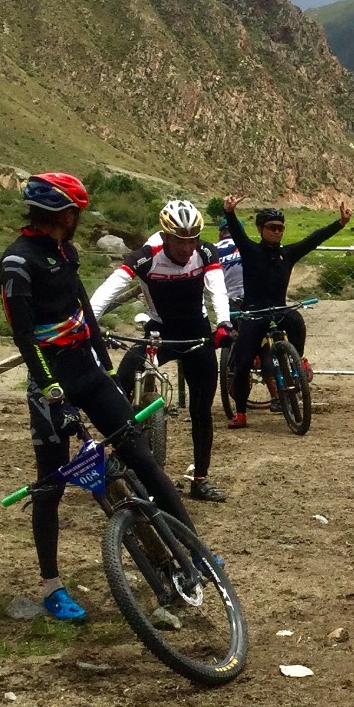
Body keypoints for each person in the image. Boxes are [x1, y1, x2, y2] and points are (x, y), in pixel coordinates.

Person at [0, 172, 200, 623]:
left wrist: (104, 364)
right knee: (50, 487)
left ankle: (193, 549)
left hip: (88, 372)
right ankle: (52, 587)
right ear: (65, 213)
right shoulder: (17, 263)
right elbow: (24, 337)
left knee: (142, 458)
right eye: (77, 213)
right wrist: (51, 389)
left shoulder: (66, 252)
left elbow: (83, 307)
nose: (78, 220)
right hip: (50, 385)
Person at [90, 199, 233, 502]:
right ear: (165, 236)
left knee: (202, 410)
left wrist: (224, 323)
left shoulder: (205, 252)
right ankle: (122, 452)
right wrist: (87, 323)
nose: (186, 248)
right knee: (123, 379)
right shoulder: (146, 257)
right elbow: (109, 289)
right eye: (180, 241)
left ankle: (201, 479)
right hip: (159, 332)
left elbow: (217, 288)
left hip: (196, 332)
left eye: (191, 239)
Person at [222, 195, 351, 428]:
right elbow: (236, 232)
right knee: (242, 363)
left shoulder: (288, 254)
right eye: (272, 227)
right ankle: (240, 413)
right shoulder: (250, 250)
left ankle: (298, 361)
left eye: (281, 228)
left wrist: (339, 223)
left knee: (297, 321)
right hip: (255, 313)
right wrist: (229, 212)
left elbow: (314, 240)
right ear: (261, 229)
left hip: (280, 310)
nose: (277, 232)